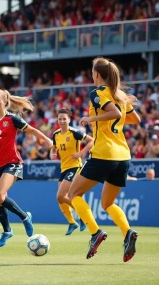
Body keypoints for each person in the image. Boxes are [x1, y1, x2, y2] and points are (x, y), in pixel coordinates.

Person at [69, 57, 141, 262]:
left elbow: (114, 112)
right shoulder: (119, 94)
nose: (91, 76)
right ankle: (127, 233)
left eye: (92, 72)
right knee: (108, 203)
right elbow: (135, 119)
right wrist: (115, 117)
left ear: (97, 74)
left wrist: (91, 119)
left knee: (73, 193)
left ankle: (95, 233)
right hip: (123, 156)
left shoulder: (98, 93)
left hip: (104, 153)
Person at [0, 89, 53, 247]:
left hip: (13, 163)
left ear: (5, 102)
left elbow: (32, 130)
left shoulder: (12, 119)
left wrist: (47, 140)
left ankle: (25, 217)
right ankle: (7, 231)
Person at [50, 109, 93, 235]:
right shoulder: (56, 134)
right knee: (61, 199)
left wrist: (81, 152)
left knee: (60, 195)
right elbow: (53, 148)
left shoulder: (75, 132)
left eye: (64, 119)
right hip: (64, 168)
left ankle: (84, 215)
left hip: (75, 167)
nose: (62, 121)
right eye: (60, 119)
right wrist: (53, 153)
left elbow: (91, 140)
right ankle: (72, 222)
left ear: (69, 120)